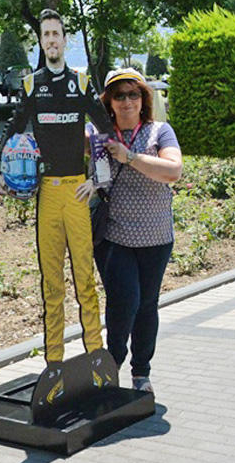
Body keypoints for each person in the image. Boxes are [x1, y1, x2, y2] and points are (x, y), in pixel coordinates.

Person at [0, 9, 113, 367]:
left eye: (56, 33)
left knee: (85, 282)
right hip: (46, 194)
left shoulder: (81, 81)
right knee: (52, 287)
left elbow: (105, 129)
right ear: (41, 41)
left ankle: (96, 357)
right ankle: (54, 364)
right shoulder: (32, 85)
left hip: (77, 191)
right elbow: (12, 129)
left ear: (65, 39)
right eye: (45, 35)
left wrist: (98, 179)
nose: (51, 40)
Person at [76, 68, 182, 394]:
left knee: (147, 305)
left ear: (143, 99)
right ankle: (112, 365)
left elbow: (173, 171)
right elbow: (61, 147)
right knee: (126, 301)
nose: (126, 101)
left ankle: (141, 374)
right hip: (113, 236)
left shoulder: (159, 132)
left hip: (155, 237)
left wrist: (130, 156)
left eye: (133, 94)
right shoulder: (95, 134)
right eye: (118, 95)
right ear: (108, 101)